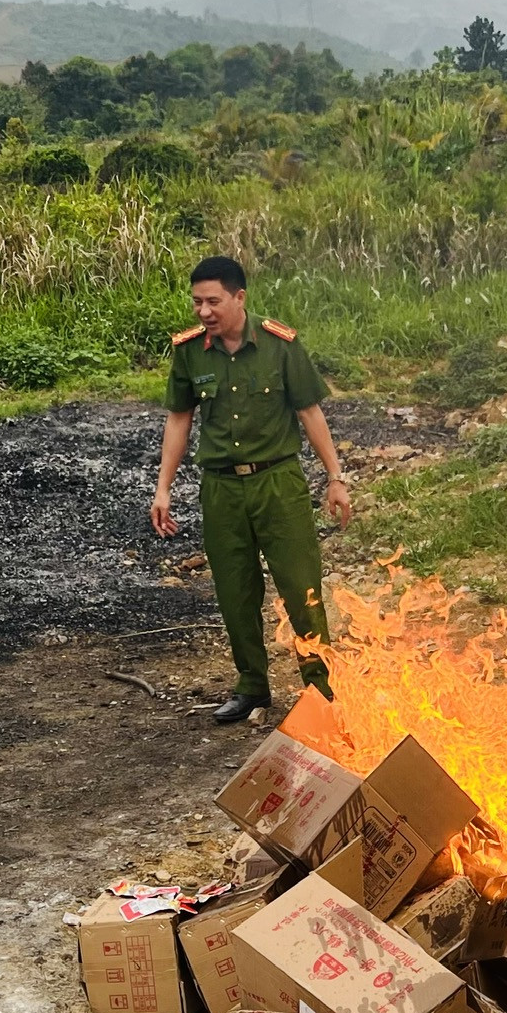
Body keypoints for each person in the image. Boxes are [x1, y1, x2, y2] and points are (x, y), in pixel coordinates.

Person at [150, 256, 354, 723]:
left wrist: (335, 478)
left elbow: (309, 413)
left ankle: (320, 690)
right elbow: (179, 419)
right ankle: (251, 688)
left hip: (277, 483)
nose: (203, 311)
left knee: (301, 587)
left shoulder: (280, 345)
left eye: (213, 301)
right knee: (234, 591)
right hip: (221, 489)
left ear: (240, 298)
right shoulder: (188, 352)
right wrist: (163, 489)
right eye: (197, 302)